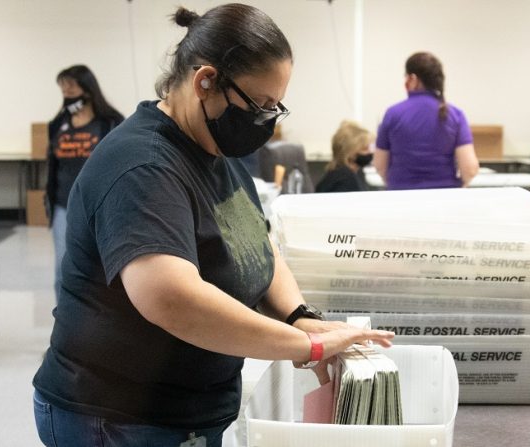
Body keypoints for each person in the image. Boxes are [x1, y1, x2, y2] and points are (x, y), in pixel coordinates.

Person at [32, 4, 394, 447]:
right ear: (206, 81)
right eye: (259, 104)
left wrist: (300, 317)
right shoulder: (142, 166)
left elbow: (255, 242)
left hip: (183, 410)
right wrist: (308, 348)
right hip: (116, 417)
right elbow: (170, 297)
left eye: (274, 106)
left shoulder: (215, 150)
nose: (265, 119)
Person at [45, 65, 124, 300]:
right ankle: (65, 320)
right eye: (63, 87)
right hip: (63, 205)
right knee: (62, 268)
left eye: (71, 85)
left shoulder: (110, 123)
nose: (66, 92)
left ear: (88, 90)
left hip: (99, 207)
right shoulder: (58, 124)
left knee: (100, 267)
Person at [373, 51, 479, 190]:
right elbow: (470, 169)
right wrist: (461, 187)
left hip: (401, 200)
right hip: (444, 199)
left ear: (413, 79)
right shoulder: (455, 115)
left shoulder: (393, 114)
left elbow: (380, 165)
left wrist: (396, 185)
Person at [315, 120, 374, 193]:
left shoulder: (356, 173)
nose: (370, 152)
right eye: (364, 149)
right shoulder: (344, 178)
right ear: (350, 153)